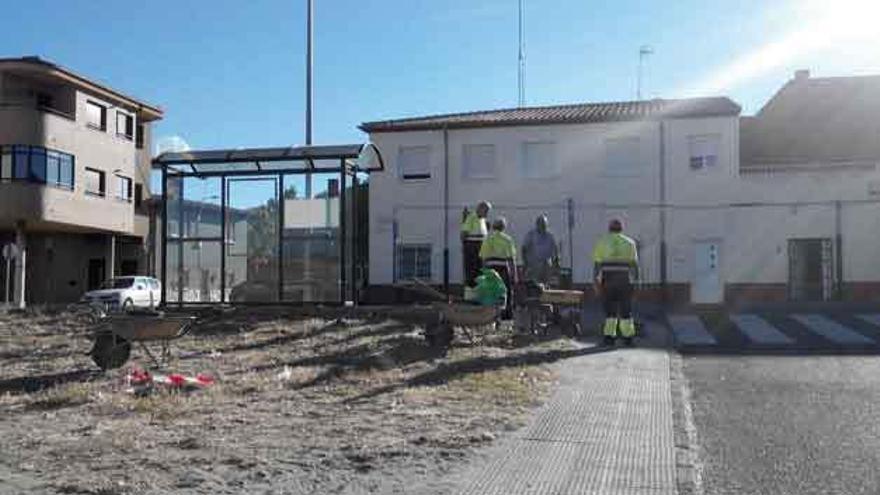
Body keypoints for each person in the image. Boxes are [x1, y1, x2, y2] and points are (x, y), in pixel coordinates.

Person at [592, 218, 639, 346]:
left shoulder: (602, 242)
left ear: (609, 229)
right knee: (626, 310)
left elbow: (597, 265)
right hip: (624, 280)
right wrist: (637, 282)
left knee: (610, 310)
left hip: (608, 280)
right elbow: (635, 265)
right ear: (621, 229)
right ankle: (628, 338)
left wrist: (595, 282)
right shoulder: (630, 243)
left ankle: (609, 338)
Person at [480, 217, 518, 318]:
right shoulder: (507, 239)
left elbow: (484, 258)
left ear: (493, 227)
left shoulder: (487, 239)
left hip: (491, 267)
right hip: (503, 267)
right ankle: (506, 314)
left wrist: (484, 272)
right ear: (503, 227)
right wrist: (514, 275)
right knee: (505, 291)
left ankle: (489, 314)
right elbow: (511, 259)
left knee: (491, 291)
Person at [460, 201, 491, 287]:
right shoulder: (471, 218)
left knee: (480, 270)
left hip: (480, 247)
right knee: (472, 270)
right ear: (480, 209)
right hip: (472, 247)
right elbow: (464, 234)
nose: (487, 213)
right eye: (486, 211)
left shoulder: (482, 220)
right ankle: (472, 290)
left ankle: (479, 289)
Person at [521, 214, 559, 285]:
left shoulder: (550, 236)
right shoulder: (531, 235)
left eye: (545, 224)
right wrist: (525, 264)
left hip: (547, 264)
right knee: (536, 285)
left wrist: (556, 264)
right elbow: (524, 249)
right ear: (537, 224)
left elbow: (555, 250)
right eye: (542, 224)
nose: (543, 226)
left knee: (546, 285)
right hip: (534, 265)